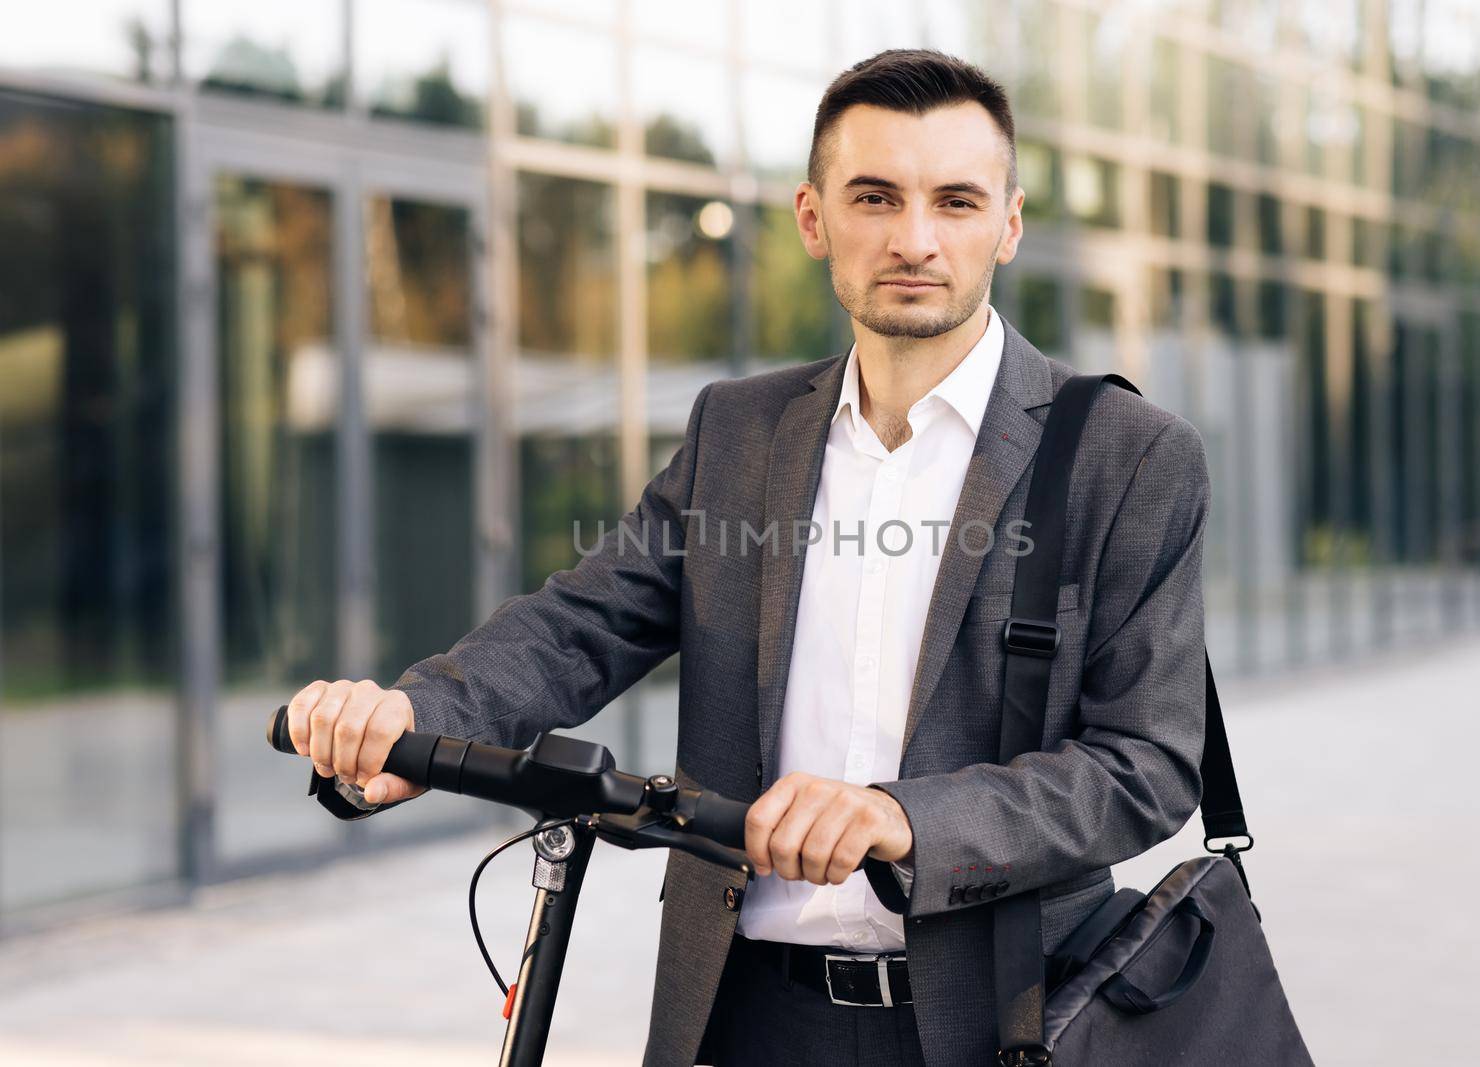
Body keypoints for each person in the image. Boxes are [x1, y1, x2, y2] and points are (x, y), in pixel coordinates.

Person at [283, 49, 1212, 1067]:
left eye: (955, 200)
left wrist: (903, 818)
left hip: (996, 1026)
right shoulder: (740, 429)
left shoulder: (1127, 455)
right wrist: (419, 713)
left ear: (1010, 222)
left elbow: (1147, 762)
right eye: (874, 196)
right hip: (741, 1013)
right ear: (813, 219)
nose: (915, 238)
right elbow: (586, 618)